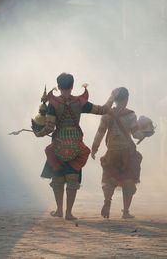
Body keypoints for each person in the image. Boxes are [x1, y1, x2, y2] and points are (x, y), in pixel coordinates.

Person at [34, 73, 119, 220]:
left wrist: (39, 133)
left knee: (58, 178)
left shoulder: (53, 104)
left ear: (58, 86)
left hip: (58, 145)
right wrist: (112, 96)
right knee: (72, 178)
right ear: (72, 86)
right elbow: (103, 109)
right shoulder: (80, 102)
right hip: (76, 145)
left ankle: (59, 210)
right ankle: (69, 213)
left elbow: (49, 127)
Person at [91, 87, 154, 219]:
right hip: (127, 153)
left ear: (114, 100)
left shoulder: (106, 115)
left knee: (109, 179)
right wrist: (146, 134)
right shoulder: (130, 115)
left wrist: (94, 148)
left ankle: (107, 201)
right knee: (128, 180)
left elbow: (100, 133)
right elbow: (136, 134)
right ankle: (125, 211)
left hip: (111, 151)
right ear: (126, 99)